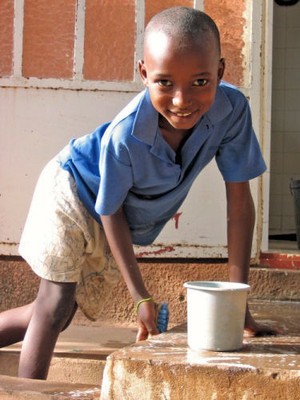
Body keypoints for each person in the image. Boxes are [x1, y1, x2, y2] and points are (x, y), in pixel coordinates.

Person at [0, 7, 276, 380]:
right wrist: (141, 298)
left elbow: (239, 204)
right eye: (164, 82)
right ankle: (28, 392)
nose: (181, 100)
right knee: (55, 303)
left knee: (58, 318)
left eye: (200, 82)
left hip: (107, 209)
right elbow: (110, 210)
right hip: (69, 189)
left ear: (221, 73)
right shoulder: (125, 136)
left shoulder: (231, 110)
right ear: (144, 74)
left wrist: (237, 302)